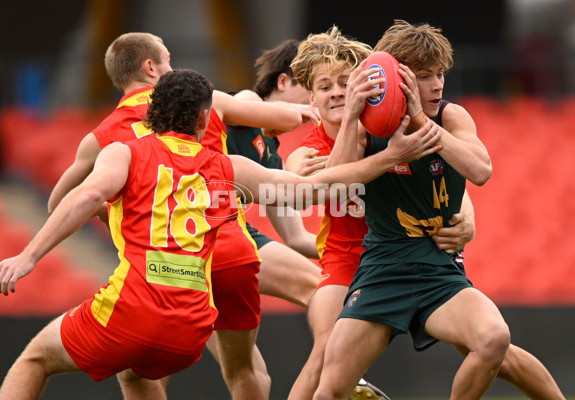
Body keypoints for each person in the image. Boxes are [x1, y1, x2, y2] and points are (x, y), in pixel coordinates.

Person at [0, 68, 443, 400]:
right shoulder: (229, 166)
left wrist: (29, 257)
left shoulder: (124, 152)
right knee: (138, 376)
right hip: (192, 325)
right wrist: (388, 158)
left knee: (35, 358)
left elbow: (83, 199)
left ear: (153, 113)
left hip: (133, 308)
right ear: (206, 118)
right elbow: (307, 193)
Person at [311, 20, 566, 399]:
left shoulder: (450, 116)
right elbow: (334, 185)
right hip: (383, 270)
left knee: (496, 341)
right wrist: (351, 117)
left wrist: (418, 118)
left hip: (438, 271)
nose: (438, 85)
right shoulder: (366, 125)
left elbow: (480, 171)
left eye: (440, 74)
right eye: (426, 76)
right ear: (398, 78)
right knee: (330, 386)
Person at [45, 32, 303, 400]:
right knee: (249, 363)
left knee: (147, 367)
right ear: (150, 67)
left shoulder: (103, 138)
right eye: (168, 59)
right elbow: (286, 117)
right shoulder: (205, 101)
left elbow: (60, 202)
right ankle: (338, 373)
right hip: (226, 246)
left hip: (164, 264)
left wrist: (115, 208)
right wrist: (302, 108)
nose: (173, 66)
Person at [284, 26, 477, 400]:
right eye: (326, 87)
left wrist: (467, 219)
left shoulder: (393, 126)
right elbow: (302, 191)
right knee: (324, 353)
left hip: (403, 253)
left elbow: (449, 181)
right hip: (346, 257)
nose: (339, 92)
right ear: (311, 97)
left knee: (493, 350)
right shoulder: (308, 152)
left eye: (346, 81)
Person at [226, 39, 322, 309]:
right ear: (283, 82)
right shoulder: (246, 101)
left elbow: (298, 239)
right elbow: (236, 109)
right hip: (201, 231)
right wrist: (290, 112)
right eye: (314, 90)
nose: (315, 102)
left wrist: (366, 249)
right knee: (320, 289)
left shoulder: (273, 159)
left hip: (234, 234)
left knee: (239, 353)